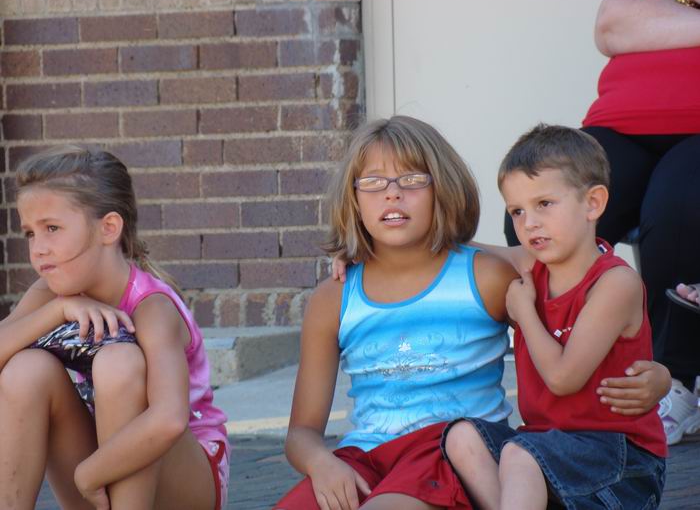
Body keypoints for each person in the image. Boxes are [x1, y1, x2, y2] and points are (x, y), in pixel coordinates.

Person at [276, 116, 667, 510]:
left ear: (442, 188)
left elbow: (583, 292)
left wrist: (661, 376)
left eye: (412, 180)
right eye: (374, 183)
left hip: (445, 457)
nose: (392, 195)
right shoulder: (333, 298)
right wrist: (321, 464)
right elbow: (301, 433)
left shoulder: (491, 276)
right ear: (354, 198)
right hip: (361, 460)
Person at [504, 0, 700, 445]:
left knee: (677, 209)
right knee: (540, 205)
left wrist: (666, 18)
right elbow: (612, 24)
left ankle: (673, 377)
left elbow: (635, 24)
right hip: (620, 125)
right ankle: (569, 359)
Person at [445, 124, 667, 510]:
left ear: (593, 203)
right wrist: (366, 253)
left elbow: (564, 378)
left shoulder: (615, 283)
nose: (529, 222)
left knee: (520, 453)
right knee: (462, 436)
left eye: (544, 204)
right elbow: (454, 250)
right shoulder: (531, 266)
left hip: (622, 463)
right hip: (549, 451)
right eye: (517, 211)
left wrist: (524, 314)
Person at [0, 146, 230, 509]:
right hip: (102, 471)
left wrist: (89, 473)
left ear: (108, 228)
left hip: (185, 482)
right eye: (30, 233)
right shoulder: (50, 294)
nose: (38, 249)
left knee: (118, 362)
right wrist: (58, 310)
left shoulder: (152, 306)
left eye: (52, 229)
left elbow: (169, 419)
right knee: (26, 369)